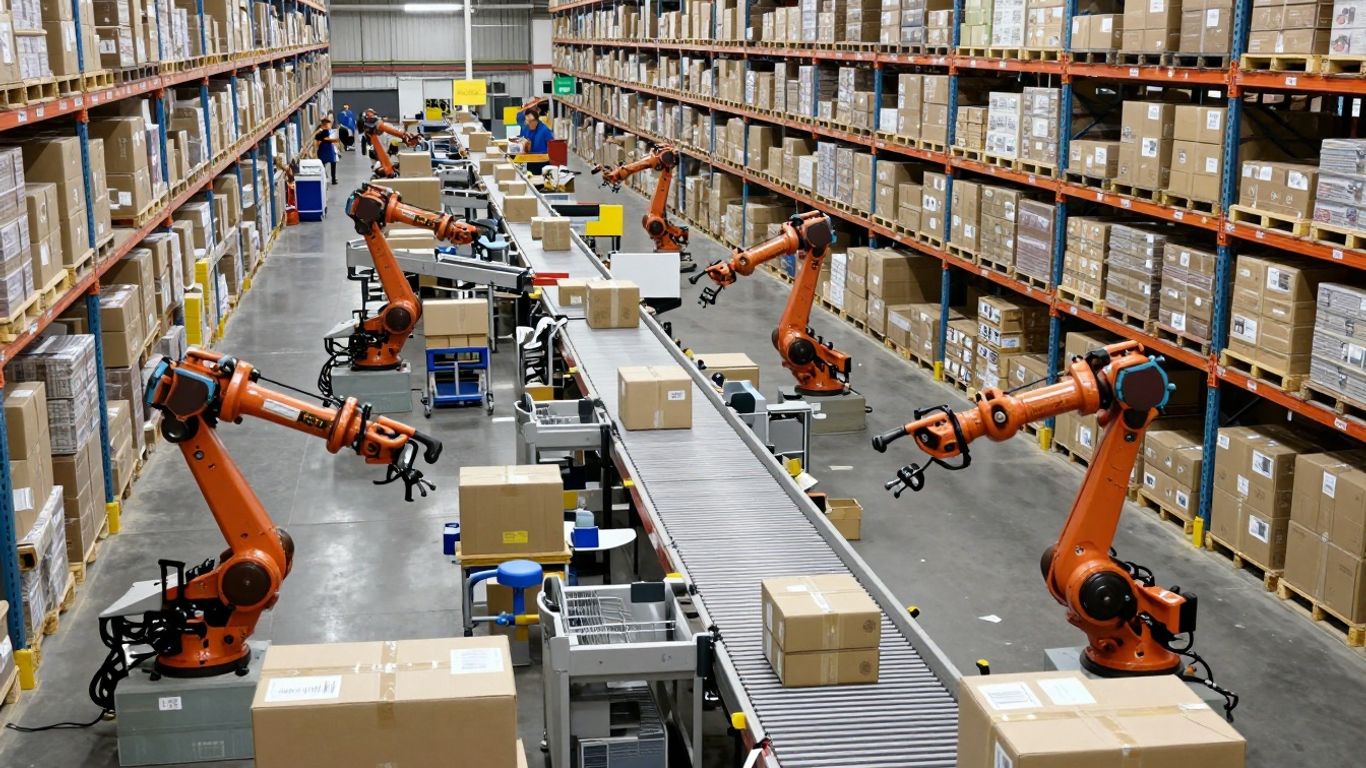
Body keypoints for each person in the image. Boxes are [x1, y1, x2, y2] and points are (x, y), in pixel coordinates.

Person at [514, 106, 554, 175]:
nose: (529, 124)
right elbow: (522, 143)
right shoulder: (526, 129)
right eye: (527, 122)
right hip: (529, 163)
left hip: (542, 164)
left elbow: (552, 150)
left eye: (530, 122)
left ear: (536, 120)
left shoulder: (545, 131)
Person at [314, 117, 340, 185]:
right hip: (324, 148)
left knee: (330, 163)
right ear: (324, 123)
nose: (329, 125)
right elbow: (318, 139)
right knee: (327, 163)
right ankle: (327, 178)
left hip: (327, 148)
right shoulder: (322, 131)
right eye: (328, 123)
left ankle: (331, 179)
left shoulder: (327, 131)